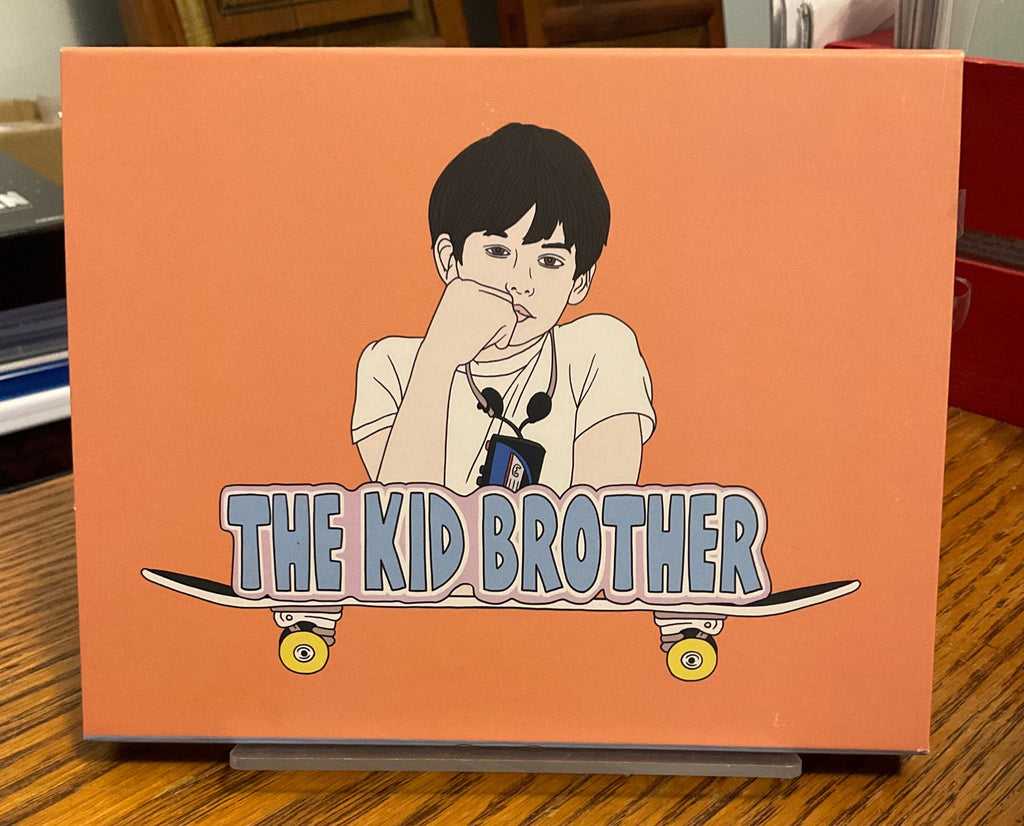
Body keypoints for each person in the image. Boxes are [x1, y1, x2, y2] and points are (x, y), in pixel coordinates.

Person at [352, 123, 655, 495]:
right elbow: (402, 521)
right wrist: (437, 362)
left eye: (549, 261)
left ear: (580, 281)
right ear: (450, 259)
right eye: (498, 252)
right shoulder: (391, 368)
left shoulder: (599, 351)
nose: (520, 282)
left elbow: (602, 519)